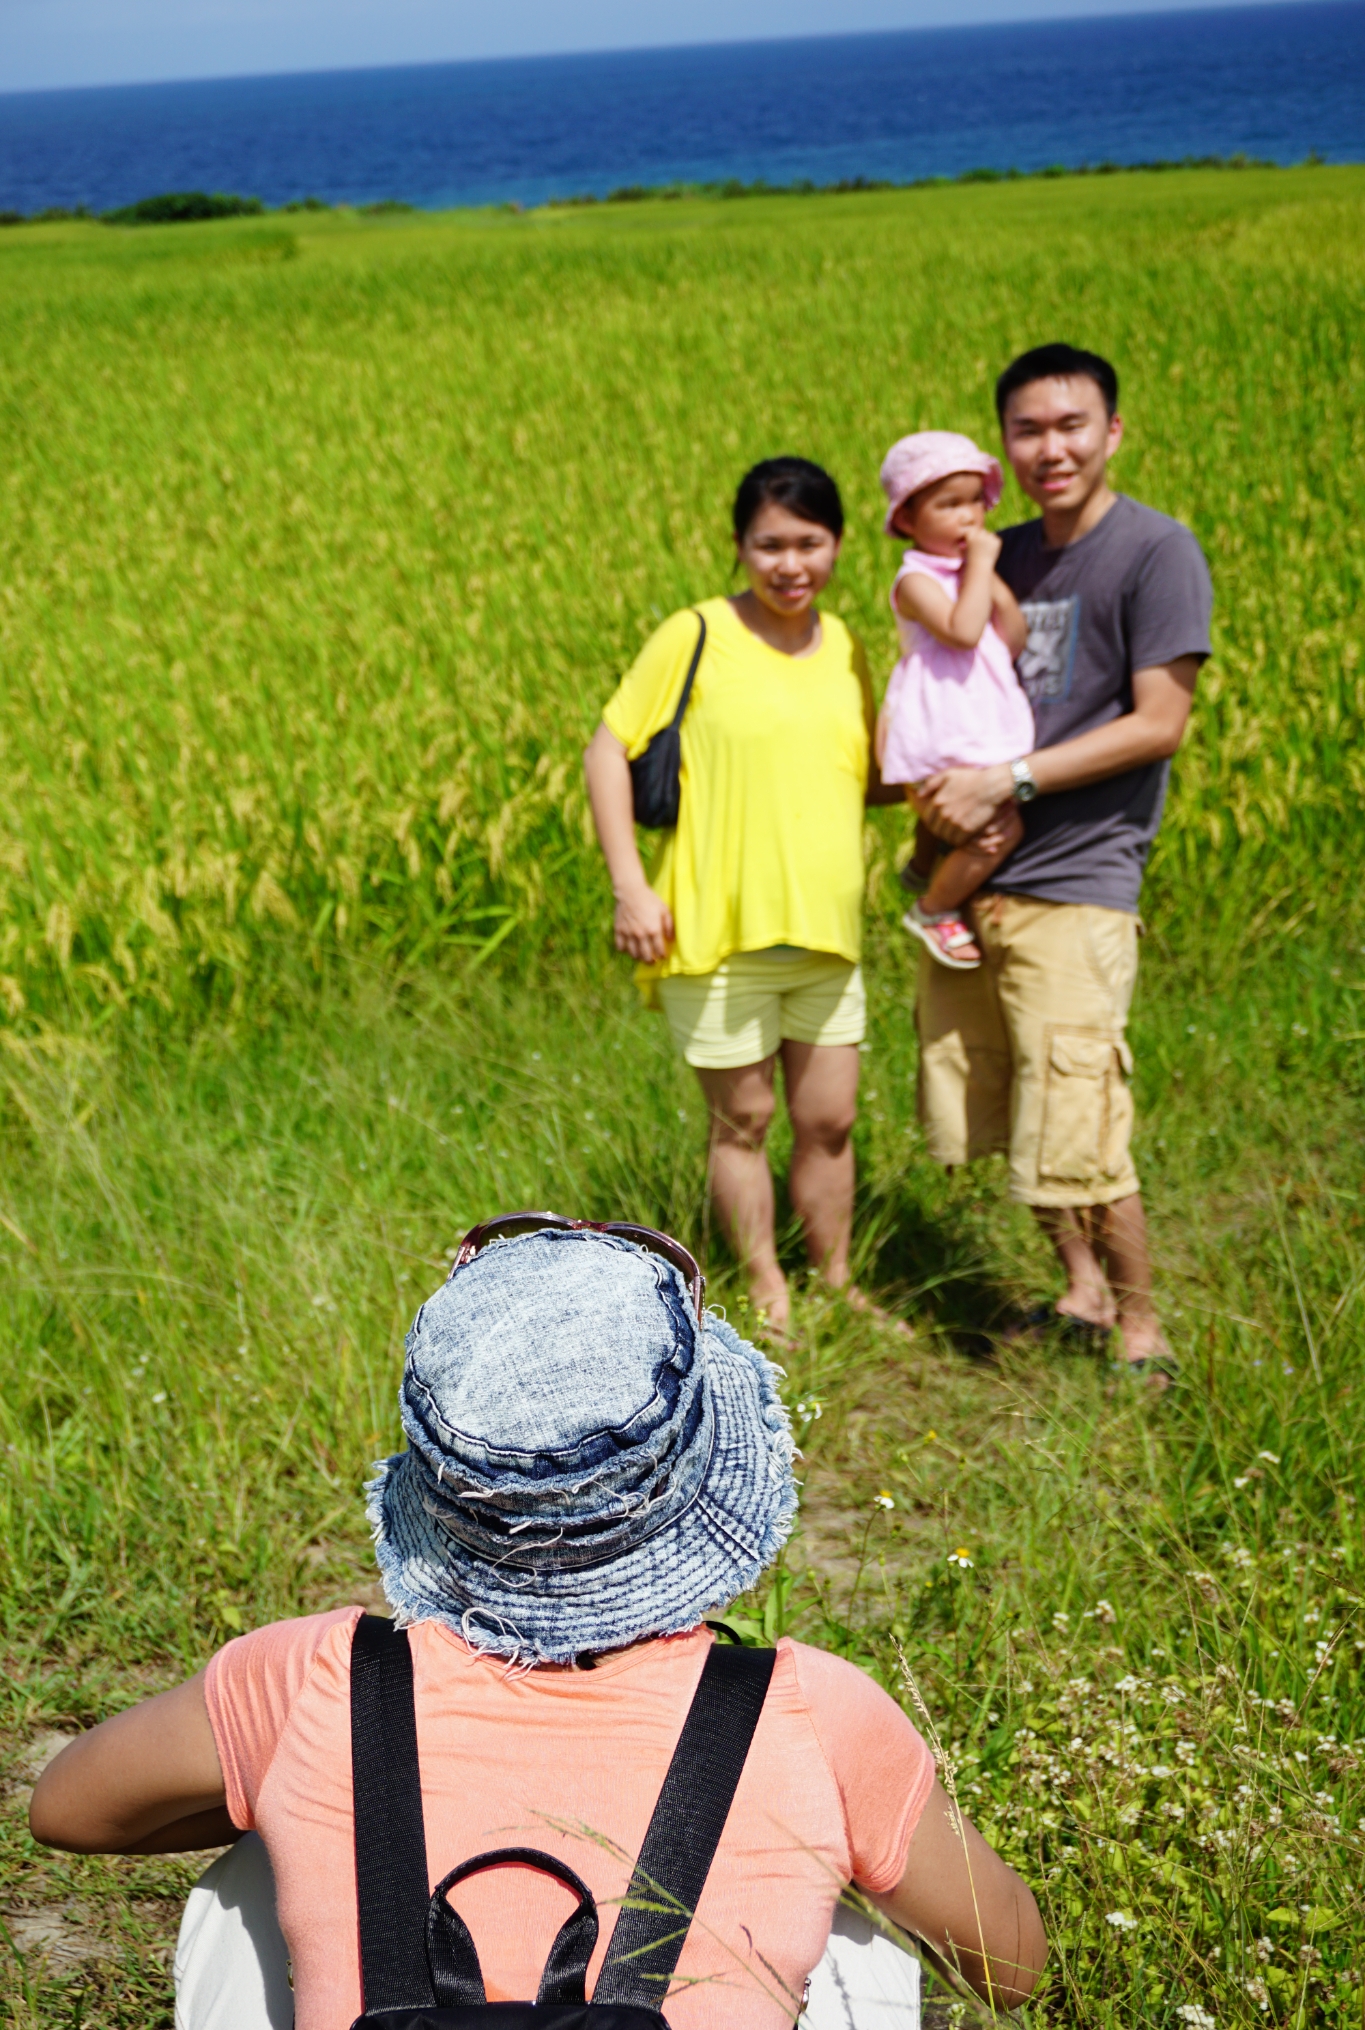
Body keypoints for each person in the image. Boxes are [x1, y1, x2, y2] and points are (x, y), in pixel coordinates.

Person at [31, 1216, 1047, 2029]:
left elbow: (68, 1807)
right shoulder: (812, 1711)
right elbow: (1013, 1967)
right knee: (864, 1913)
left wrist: (291, 1795)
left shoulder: (316, 1680)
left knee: (251, 1873)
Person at [911, 344, 1213, 1386]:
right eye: (1028, 430)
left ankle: (1141, 1326)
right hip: (969, 880)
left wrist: (1005, 781)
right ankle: (1079, 1288)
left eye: (1072, 425)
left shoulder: (1154, 551)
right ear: (1003, 445)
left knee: (1080, 1107)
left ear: (1112, 431)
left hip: (1079, 878)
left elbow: (1159, 722)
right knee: (1009, 1105)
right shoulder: (992, 554)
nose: (1052, 448)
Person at [583, 459, 899, 1336]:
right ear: (739, 546)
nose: (790, 564)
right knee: (744, 1120)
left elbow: (871, 774)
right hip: (713, 932)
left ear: (837, 545)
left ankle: (835, 1280)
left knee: (829, 1120)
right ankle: (766, 1285)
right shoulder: (694, 633)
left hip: (825, 933)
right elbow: (607, 750)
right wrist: (630, 887)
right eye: (769, 545)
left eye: (809, 543)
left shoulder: (846, 645)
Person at [875, 431, 1032, 971]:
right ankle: (933, 909)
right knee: (997, 834)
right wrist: (982, 569)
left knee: (984, 814)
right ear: (907, 519)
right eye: (949, 505)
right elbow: (963, 633)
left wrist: (988, 580)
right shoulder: (915, 580)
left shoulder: (970, 575)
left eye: (975, 501)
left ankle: (923, 867)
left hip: (973, 718)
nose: (969, 517)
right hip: (938, 722)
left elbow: (1012, 638)